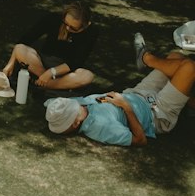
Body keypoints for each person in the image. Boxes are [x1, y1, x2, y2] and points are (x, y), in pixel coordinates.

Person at [45, 33, 195, 145]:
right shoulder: (100, 128)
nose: (78, 104)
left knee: (176, 57)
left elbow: (51, 103)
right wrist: (126, 107)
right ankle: (146, 59)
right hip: (156, 114)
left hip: (139, 93)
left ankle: (187, 100)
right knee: (188, 67)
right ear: (76, 123)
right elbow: (140, 139)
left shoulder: (74, 106)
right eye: (75, 108)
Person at [0, 1, 96, 97]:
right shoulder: (53, 19)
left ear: (85, 25)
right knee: (21, 49)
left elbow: (76, 62)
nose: (67, 28)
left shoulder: (91, 32)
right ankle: (52, 85)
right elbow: (24, 40)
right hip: (40, 65)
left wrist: (51, 73)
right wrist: (10, 64)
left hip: (65, 71)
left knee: (87, 76)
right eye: (65, 23)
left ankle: (42, 84)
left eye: (73, 28)